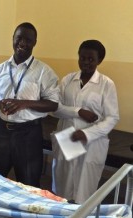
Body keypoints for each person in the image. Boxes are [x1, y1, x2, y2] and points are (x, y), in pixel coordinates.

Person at [0, 22, 59, 187]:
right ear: (13, 39)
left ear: (35, 42)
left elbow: (53, 104)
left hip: (28, 134)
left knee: (29, 183)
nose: (23, 43)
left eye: (28, 39)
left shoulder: (44, 72)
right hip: (1, 131)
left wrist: (24, 103)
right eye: (19, 38)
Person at [51, 40, 119, 204]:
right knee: (62, 189)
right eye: (82, 58)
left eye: (91, 59)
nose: (86, 62)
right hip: (68, 137)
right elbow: (55, 108)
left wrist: (87, 134)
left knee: (84, 193)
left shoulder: (106, 84)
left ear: (99, 61)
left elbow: (112, 117)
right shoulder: (68, 80)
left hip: (92, 143)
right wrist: (78, 111)